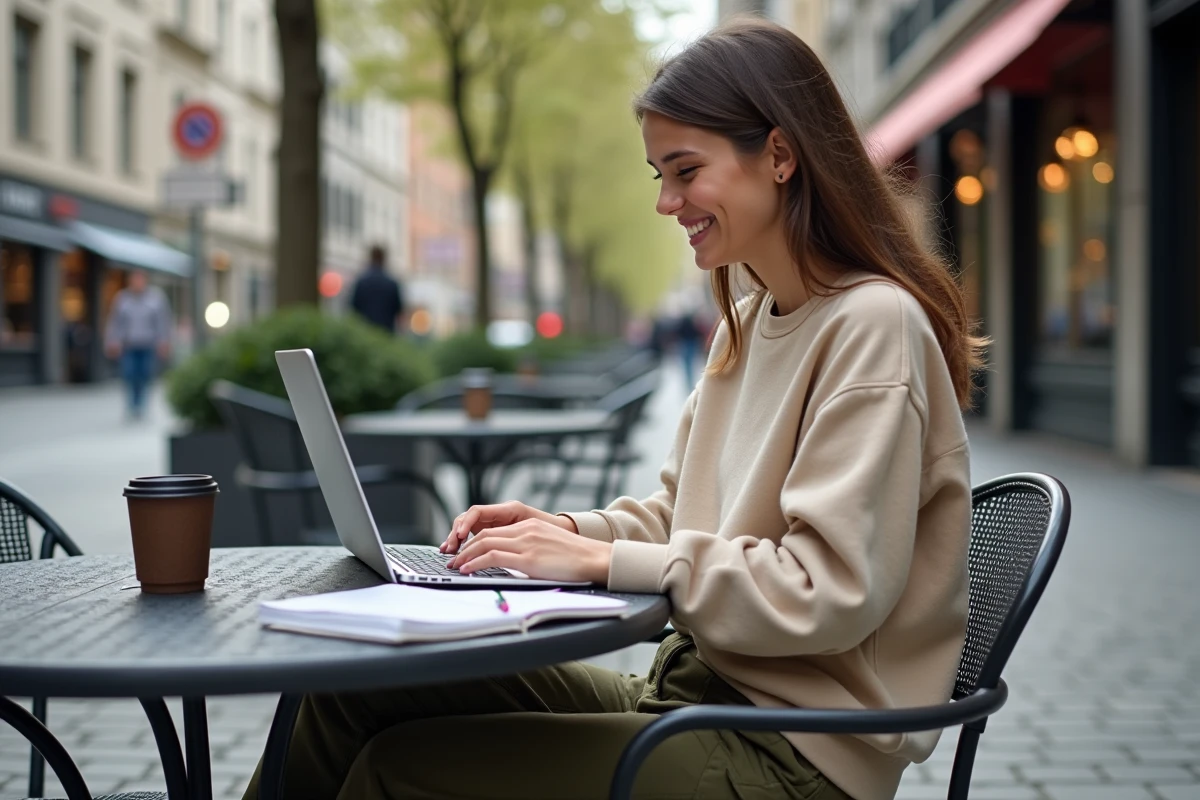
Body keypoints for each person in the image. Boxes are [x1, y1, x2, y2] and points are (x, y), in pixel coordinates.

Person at [241, 18, 984, 800]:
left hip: (795, 752)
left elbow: (826, 590)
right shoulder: (749, 322)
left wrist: (601, 563)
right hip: (693, 700)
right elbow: (678, 516)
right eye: (659, 175)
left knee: (397, 772)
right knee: (350, 686)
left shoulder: (872, 326)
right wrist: (564, 532)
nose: (666, 202)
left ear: (778, 154)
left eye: (685, 170)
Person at [104, 269, 172, 420]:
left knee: (145, 375)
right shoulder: (122, 298)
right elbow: (115, 322)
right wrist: (112, 341)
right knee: (129, 375)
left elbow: (163, 322)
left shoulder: (156, 298)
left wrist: (164, 341)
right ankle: (132, 406)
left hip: (148, 344)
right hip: (129, 344)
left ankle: (142, 406)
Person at [350, 244, 405, 334]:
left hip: (364, 331)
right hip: (385, 332)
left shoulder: (362, 282)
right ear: (384, 259)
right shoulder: (391, 284)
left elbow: (354, 308)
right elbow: (398, 310)